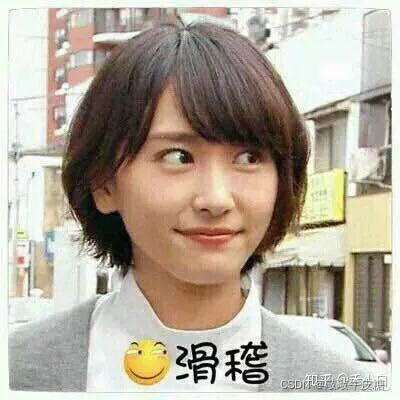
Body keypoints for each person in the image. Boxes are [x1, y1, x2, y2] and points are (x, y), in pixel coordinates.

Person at [9, 22, 388, 392]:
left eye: (248, 157)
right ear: (104, 184)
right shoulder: (19, 371)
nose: (216, 199)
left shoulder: (342, 387)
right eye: (178, 156)